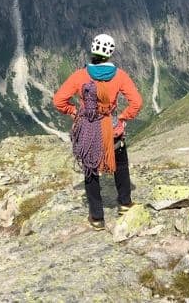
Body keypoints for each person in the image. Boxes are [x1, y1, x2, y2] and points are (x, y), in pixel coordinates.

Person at [53, 33, 143, 230]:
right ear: (110, 53)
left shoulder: (80, 76)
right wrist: (122, 119)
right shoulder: (120, 76)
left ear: (93, 50)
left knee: (91, 169)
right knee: (120, 164)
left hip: (89, 129)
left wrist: (75, 112)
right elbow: (136, 102)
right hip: (111, 129)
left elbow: (59, 100)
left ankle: (97, 217)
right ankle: (125, 203)